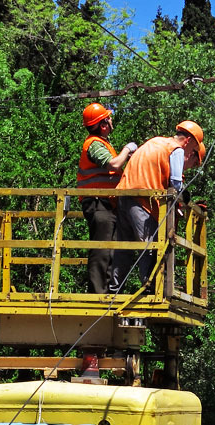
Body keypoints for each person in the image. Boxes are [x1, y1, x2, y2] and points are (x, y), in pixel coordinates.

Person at [111, 120, 204, 292]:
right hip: (142, 200)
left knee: (123, 247)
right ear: (189, 141)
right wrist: (185, 197)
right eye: (193, 150)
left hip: (124, 196)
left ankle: (114, 290)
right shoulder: (175, 149)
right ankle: (149, 288)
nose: (189, 154)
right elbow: (175, 184)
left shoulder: (154, 141)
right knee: (149, 245)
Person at [75, 103, 137, 294]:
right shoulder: (94, 144)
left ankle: (109, 292)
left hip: (106, 204)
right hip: (97, 203)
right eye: (108, 118)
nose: (111, 120)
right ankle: (97, 294)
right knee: (101, 249)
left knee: (112, 249)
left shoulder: (102, 143)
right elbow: (114, 164)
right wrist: (127, 149)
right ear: (102, 124)